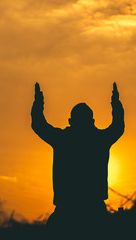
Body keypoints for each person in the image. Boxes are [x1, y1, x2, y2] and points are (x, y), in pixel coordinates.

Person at [31, 82, 124, 230]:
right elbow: (118, 126)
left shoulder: (62, 139)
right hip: (95, 213)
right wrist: (116, 103)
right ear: (92, 121)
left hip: (66, 213)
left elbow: (38, 124)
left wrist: (38, 104)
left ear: (70, 121)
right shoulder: (101, 139)